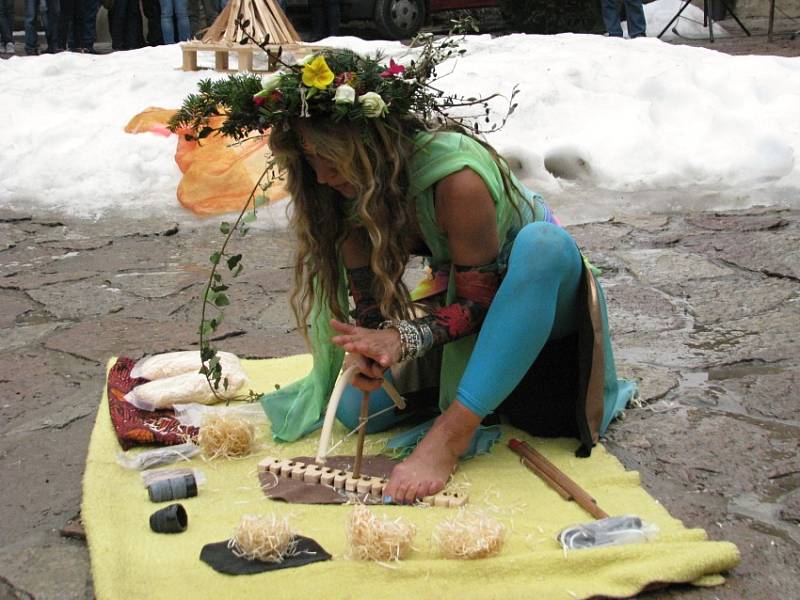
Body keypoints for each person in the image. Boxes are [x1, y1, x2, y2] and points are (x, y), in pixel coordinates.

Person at [172, 47, 635, 505]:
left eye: (329, 156)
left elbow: (480, 298)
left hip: (542, 310)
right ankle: (467, 396)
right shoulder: (339, 193)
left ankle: (450, 435)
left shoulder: (456, 178)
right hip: (464, 309)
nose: (322, 174)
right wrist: (373, 348)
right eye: (310, 159)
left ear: (369, 145)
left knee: (543, 245)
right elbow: (371, 308)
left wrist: (405, 340)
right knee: (355, 413)